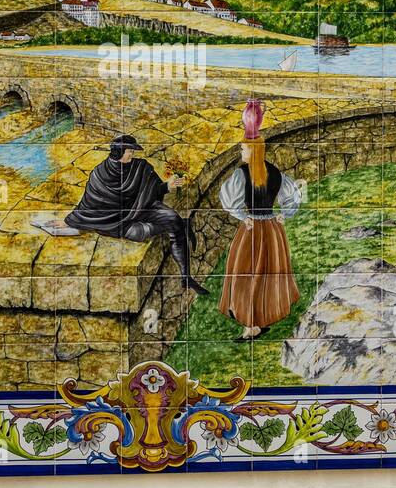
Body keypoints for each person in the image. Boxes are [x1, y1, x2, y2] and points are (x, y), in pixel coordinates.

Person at [64, 135, 206, 295]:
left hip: (144, 207)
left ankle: (186, 277)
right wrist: (74, 220)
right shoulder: (98, 175)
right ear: (118, 153)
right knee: (140, 233)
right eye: (129, 151)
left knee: (172, 218)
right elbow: (89, 204)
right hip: (116, 221)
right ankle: (182, 224)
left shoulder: (141, 167)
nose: (132, 154)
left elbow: (155, 189)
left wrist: (167, 186)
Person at [218, 100, 302, 339]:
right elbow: (292, 198)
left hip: (253, 229)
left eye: (243, 149)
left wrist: (243, 216)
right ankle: (258, 318)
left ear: (252, 150)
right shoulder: (275, 173)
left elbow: (229, 200)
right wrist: (283, 215)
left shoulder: (242, 174)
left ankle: (252, 323)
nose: (241, 153)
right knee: (264, 272)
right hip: (272, 231)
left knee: (250, 273)